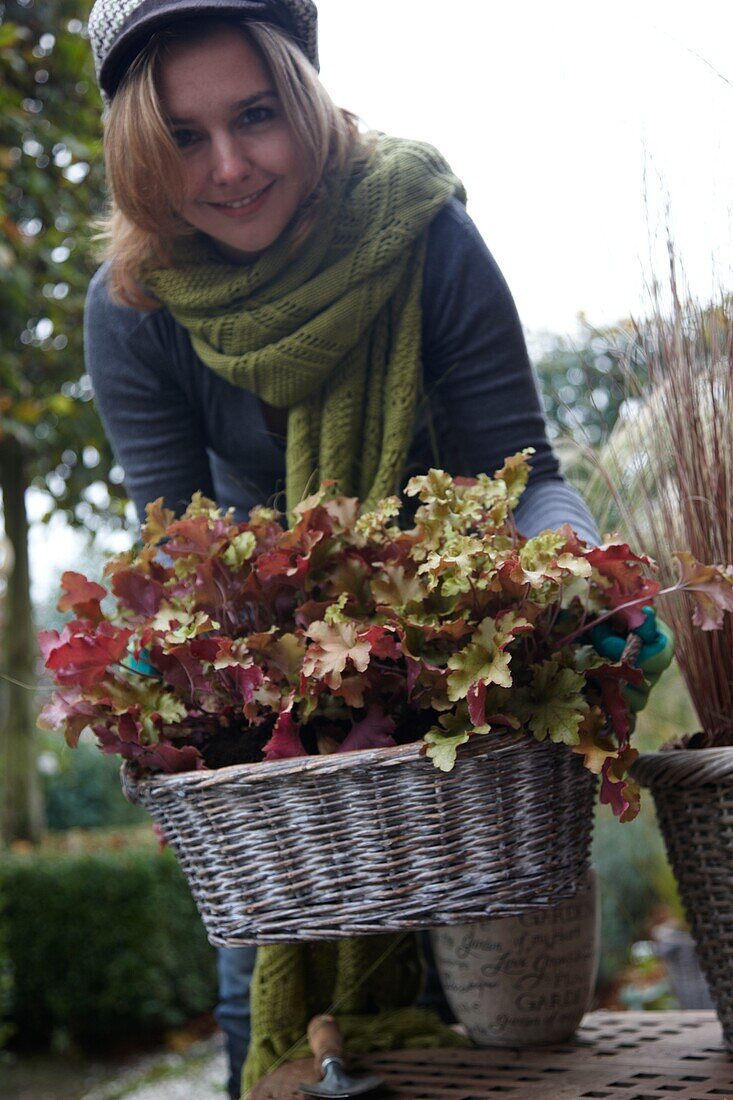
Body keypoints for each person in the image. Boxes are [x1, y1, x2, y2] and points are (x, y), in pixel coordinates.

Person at [83, 2, 612, 1095]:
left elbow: (524, 469)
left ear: (305, 100)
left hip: (450, 735)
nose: (229, 166)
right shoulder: (135, 310)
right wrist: (184, 660)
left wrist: (577, 573)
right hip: (284, 767)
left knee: (482, 1021)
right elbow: (178, 553)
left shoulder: (420, 233)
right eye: (184, 135)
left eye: (257, 116)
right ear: (141, 146)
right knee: (259, 1002)